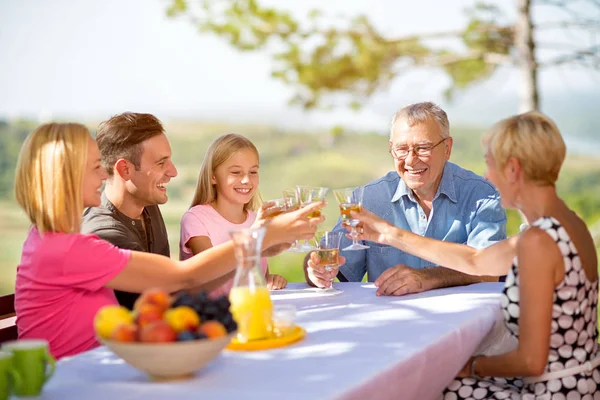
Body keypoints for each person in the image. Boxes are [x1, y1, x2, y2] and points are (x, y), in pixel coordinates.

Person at [14, 123, 324, 359]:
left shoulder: (50, 241)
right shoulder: (69, 249)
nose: (103, 175)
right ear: (66, 177)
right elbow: (184, 278)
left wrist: (266, 244)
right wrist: (263, 236)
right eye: (96, 167)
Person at [350, 112, 599, 397]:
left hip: (555, 391)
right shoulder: (569, 224)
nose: (486, 176)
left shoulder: (539, 242)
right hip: (582, 381)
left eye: (490, 164)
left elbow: (531, 361)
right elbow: (476, 260)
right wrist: (389, 234)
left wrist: (469, 365)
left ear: (513, 170)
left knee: (432, 387)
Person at [305, 102, 507, 295]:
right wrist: (316, 271)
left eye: (423, 148)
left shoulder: (481, 194)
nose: (410, 160)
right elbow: (329, 259)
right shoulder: (368, 199)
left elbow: (490, 270)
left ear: (447, 148)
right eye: (401, 149)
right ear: (391, 147)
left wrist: (429, 278)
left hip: (467, 320)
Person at [81, 112, 176, 310]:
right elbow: (175, 284)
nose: (173, 171)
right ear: (125, 170)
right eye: (161, 163)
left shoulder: (148, 202)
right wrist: (247, 244)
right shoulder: (103, 234)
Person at [179, 133, 287, 296]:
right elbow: (210, 273)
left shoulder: (254, 219)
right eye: (236, 172)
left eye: (253, 172)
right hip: (211, 315)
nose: (246, 180)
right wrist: (255, 235)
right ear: (213, 176)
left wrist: (268, 279)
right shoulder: (195, 219)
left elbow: (255, 276)